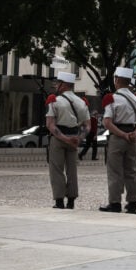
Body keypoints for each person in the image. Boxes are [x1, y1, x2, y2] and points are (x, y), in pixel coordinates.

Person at [99, 67, 136, 214]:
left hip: (117, 137)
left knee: (115, 171)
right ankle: (132, 203)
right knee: (131, 170)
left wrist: (122, 135)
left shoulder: (111, 98)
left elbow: (107, 122)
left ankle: (115, 202)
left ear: (116, 80)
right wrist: (135, 134)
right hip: (131, 136)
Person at [46, 71, 91, 209]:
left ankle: (59, 201)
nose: (56, 85)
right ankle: (71, 200)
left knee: (57, 170)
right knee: (72, 170)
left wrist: (64, 138)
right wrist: (79, 138)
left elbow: (50, 125)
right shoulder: (82, 102)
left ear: (64, 85)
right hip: (74, 138)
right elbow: (87, 126)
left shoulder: (55, 101)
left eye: (58, 83)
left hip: (59, 139)